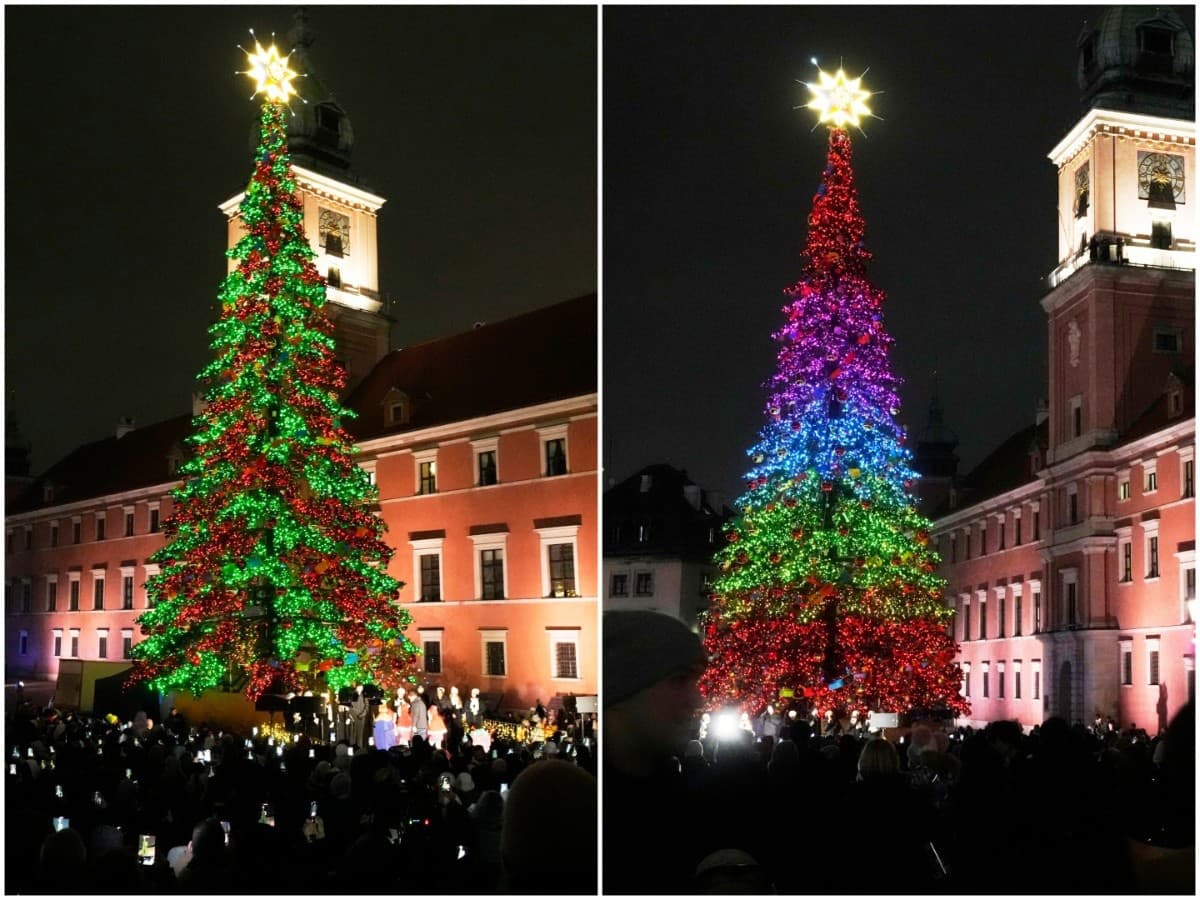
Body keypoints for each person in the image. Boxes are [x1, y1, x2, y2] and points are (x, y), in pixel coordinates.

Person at [603, 609, 708, 894]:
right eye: (678, 680)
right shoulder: (579, 818)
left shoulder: (681, 799)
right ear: (620, 691)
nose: (698, 700)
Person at [349, 684, 369, 749]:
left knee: (360, 734)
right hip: (354, 717)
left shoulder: (364, 696)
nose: (360, 688)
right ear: (356, 687)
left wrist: (362, 715)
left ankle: (360, 748)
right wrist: (353, 715)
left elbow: (367, 706)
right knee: (353, 734)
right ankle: (352, 748)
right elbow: (350, 706)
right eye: (359, 687)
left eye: (361, 687)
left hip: (362, 717)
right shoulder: (353, 695)